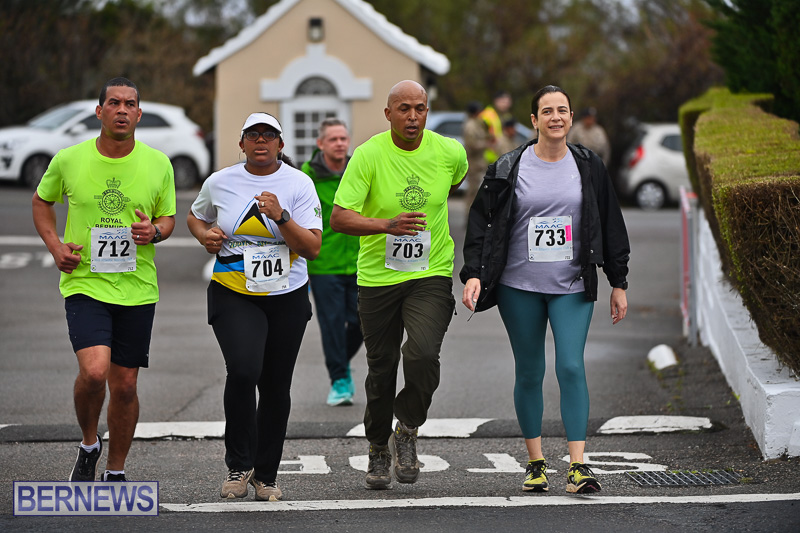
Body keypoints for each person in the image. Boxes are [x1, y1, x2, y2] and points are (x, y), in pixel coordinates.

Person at [461, 85, 630, 494]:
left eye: (563, 111)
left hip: (572, 285)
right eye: (547, 111)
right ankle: (535, 462)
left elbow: (610, 223)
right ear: (533, 121)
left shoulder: (589, 166)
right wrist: (473, 273)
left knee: (571, 366)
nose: (556, 117)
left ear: (571, 119)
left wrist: (618, 281)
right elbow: (482, 223)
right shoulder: (507, 166)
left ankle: (578, 466)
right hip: (519, 285)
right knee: (530, 371)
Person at [32, 77, 176, 482]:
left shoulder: (158, 163)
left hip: (137, 286)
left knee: (126, 386)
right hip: (85, 282)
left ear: (139, 114)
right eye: (114, 103)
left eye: (130, 104)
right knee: (95, 373)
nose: (122, 110)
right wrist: (55, 246)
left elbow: (167, 218)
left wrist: (156, 233)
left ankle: (115, 470)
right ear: (99, 111)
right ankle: (89, 441)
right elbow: (41, 202)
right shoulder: (69, 159)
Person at [330, 80, 467, 490]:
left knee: (423, 353)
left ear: (428, 111)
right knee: (382, 367)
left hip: (431, 273)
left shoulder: (449, 152)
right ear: (388, 113)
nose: (412, 116)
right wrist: (386, 225)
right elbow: (339, 218)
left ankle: (406, 427)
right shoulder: (369, 156)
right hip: (378, 278)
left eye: (420, 108)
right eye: (403, 109)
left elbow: (453, 185)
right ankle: (377, 446)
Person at [187, 112, 322, 501]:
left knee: (276, 386)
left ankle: (266, 475)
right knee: (244, 371)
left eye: (269, 135)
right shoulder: (220, 181)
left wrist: (280, 216)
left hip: (287, 296)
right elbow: (195, 217)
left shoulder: (299, 184)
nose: (260, 141)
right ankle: (238, 464)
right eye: (252, 135)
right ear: (241, 143)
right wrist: (205, 236)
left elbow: (311, 247)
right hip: (233, 291)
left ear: (281, 145)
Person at [301, 118, 363, 407]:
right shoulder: (307, 176)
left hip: (362, 261)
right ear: (321, 144)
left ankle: (340, 363)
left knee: (364, 322)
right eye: (333, 139)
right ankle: (340, 379)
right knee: (333, 324)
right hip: (324, 264)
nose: (340, 143)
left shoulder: (359, 170)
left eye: (343, 138)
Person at [462, 101, 489, 216]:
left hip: (479, 163)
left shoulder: (477, 124)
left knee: (477, 192)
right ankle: (469, 218)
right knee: (472, 193)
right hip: (473, 164)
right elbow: (472, 144)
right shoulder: (470, 126)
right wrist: (486, 144)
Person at [479, 90, 513, 164]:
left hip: (501, 156)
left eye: (508, 102)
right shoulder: (487, 115)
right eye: (503, 101)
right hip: (488, 158)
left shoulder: (507, 116)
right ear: (496, 101)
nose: (506, 104)